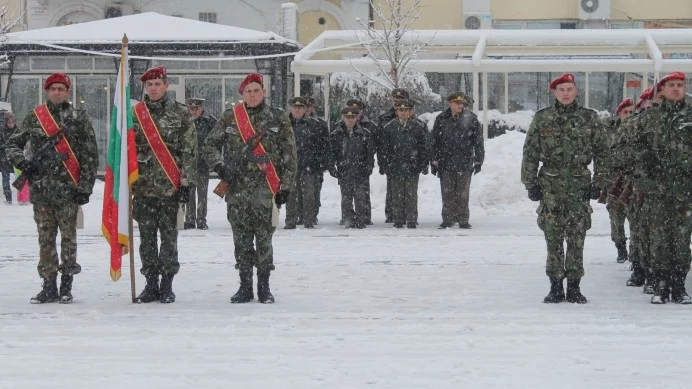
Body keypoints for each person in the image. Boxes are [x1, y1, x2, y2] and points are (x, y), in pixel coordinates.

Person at [5, 72, 99, 304]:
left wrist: (85, 187)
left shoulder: (77, 117)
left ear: (68, 92)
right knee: (45, 238)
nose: (57, 92)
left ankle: (66, 284)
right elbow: (11, 143)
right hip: (42, 189)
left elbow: (89, 154)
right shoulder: (36, 116)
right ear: (47, 91)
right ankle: (48, 284)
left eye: (61, 88)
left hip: (69, 189)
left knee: (69, 238)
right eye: (53, 88)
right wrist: (23, 162)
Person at [204, 72, 296, 303]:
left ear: (264, 92)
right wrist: (220, 167)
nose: (252, 95)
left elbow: (289, 154)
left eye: (256, 90)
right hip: (237, 189)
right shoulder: (230, 117)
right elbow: (209, 145)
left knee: (265, 240)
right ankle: (245, 286)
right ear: (242, 94)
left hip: (267, 188)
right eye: (248, 91)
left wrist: (285, 186)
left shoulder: (278, 117)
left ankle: (264, 288)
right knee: (241, 240)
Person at [521, 73, 608, 304]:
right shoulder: (543, 119)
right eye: (562, 90)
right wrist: (530, 183)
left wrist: (599, 182)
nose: (566, 93)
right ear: (554, 93)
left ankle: (575, 287)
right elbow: (529, 152)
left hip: (579, 187)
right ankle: (556, 286)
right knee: (553, 238)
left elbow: (602, 152)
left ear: (576, 91)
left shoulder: (589, 118)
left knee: (577, 238)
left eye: (570, 89)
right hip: (550, 186)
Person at [131, 66, 197, 304]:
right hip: (143, 187)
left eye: (158, 84)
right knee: (147, 239)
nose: (154, 88)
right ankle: (150, 285)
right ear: (145, 88)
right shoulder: (134, 114)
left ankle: (167, 285)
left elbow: (190, 150)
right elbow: (126, 150)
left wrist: (185, 183)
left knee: (169, 238)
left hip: (170, 187)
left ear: (166, 85)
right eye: (149, 85)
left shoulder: (181, 113)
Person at [630, 72, 692, 304]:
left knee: (682, 239)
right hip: (657, 189)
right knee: (658, 238)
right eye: (671, 85)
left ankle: (679, 285)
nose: (676, 89)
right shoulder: (649, 118)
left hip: (684, 189)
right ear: (662, 90)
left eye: (680, 85)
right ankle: (660, 284)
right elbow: (631, 150)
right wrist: (646, 164)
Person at [430, 92, 484, 229]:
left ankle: (463, 219)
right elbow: (434, 142)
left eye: (462, 103)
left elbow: (478, 142)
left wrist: (478, 161)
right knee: (447, 193)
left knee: (462, 193)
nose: (460, 105)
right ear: (450, 104)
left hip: (464, 162)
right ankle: (447, 219)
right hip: (446, 162)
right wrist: (434, 160)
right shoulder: (441, 119)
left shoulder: (471, 119)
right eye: (457, 103)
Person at [380, 99, 429, 229]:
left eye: (405, 110)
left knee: (411, 194)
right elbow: (384, 149)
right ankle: (398, 219)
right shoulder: (389, 127)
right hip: (395, 166)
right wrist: (384, 164)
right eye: (400, 110)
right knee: (397, 194)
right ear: (396, 112)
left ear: (410, 112)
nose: (403, 113)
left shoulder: (417, 127)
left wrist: (423, 164)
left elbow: (423, 147)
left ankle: (411, 219)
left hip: (412, 166)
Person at [284, 96, 328, 229]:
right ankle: (291, 221)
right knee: (291, 196)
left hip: (309, 165)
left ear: (304, 109)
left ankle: (309, 220)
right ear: (291, 108)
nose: (297, 110)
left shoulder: (314, 125)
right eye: (295, 107)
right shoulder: (284, 125)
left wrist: (321, 163)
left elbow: (324, 146)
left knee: (309, 195)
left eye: (300, 108)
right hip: (290, 167)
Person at [328, 107, 375, 229]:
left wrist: (369, 167)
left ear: (357, 118)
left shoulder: (364, 133)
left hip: (360, 170)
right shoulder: (336, 134)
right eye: (347, 117)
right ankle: (348, 218)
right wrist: (331, 167)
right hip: (344, 170)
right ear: (343, 118)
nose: (350, 120)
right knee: (346, 197)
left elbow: (369, 153)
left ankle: (360, 219)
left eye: (352, 117)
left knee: (360, 197)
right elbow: (331, 152)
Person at [603, 98, 634, 264]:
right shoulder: (610, 130)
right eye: (625, 112)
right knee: (616, 215)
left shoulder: (639, 128)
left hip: (633, 178)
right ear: (619, 114)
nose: (628, 115)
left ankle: (635, 251)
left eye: (631, 112)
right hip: (614, 179)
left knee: (634, 216)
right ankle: (620, 247)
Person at [377, 88, 409, 223]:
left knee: (409, 190)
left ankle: (408, 214)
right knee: (392, 189)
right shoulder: (385, 118)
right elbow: (381, 141)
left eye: (400, 98)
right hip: (392, 158)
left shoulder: (412, 117)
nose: (397, 101)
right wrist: (383, 161)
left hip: (408, 158)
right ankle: (391, 214)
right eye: (395, 99)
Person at [184, 97, 216, 230]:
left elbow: (215, 141)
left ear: (201, 108)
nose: (193, 111)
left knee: (202, 194)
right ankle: (190, 219)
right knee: (189, 193)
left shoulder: (209, 122)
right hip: (188, 164)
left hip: (202, 163)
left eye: (196, 108)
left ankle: (201, 219)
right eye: (191, 108)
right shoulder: (185, 122)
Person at [346, 99, 378, 225]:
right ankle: (347, 217)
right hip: (347, 164)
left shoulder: (370, 126)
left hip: (362, 164)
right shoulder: (341, 125)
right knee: (347, 194)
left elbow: (375, 144)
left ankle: (364, 217)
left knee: (363, 193)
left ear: (362, 111)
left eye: (357, 110)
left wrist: (367, 161)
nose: (354, 113)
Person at [0, 111, 16, 204]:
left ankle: (23, 196)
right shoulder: (2, 132)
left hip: (16, 158)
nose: (11, 124)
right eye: (9, 122)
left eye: (13, 122)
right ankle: (8, 198)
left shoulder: (17, 131)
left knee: (22, 177)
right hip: (4, 159)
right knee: (6, 178)